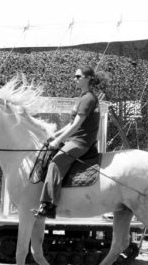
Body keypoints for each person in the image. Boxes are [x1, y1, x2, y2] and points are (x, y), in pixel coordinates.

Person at [36, 66, 106, 218]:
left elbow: (76, 125)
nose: (75, 79)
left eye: (78, 76)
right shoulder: (82, 97)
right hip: (74, 138)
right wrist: (54, 135)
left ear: (88, 78)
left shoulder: (88, 98)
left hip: (81, 142)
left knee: (55, 163)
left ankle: (48, 205)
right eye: (75, 76)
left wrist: (59, 141)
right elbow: (70, 124)